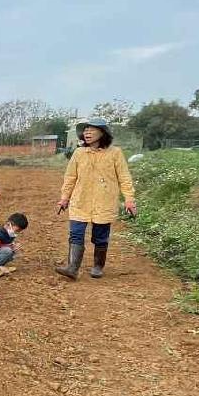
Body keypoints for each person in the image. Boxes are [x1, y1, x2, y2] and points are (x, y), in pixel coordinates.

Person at [56, 118, 136, 280]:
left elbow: (124, 178)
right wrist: (64, 198)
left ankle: (98, 266)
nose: (87, 133)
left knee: (100, 237)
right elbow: (70, 177)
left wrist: (129, 199)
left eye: (91, 130)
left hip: (104, 202)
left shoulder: (115, 153)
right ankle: (72, 268)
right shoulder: (79, 153)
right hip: (81, 201)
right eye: (85, 130)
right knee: (76, 234)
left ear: (103, 133)